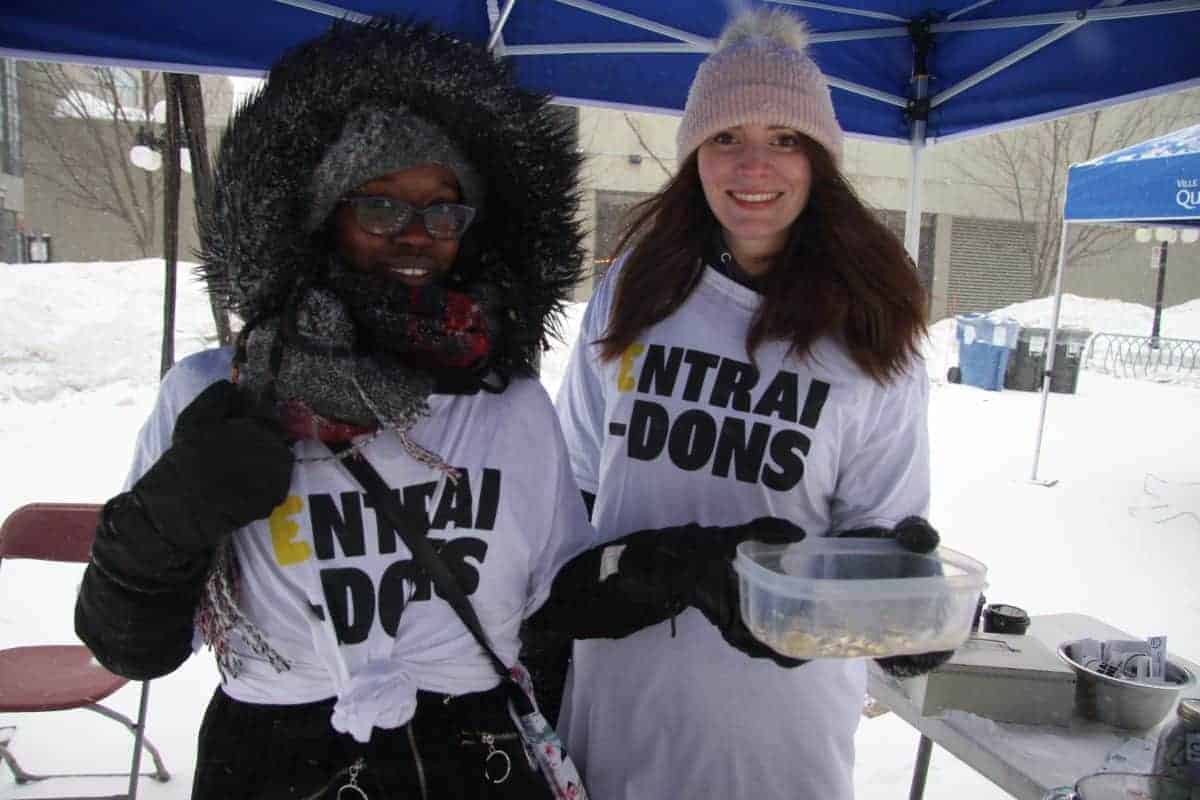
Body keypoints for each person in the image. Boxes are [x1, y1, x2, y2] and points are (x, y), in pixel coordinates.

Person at [74, 18, 595, 800]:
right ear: (326, 215)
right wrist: (171, 517)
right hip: (280, 766)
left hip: (474, 763)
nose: (417, 235)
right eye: (382, 206)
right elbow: (128, 647)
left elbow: (555, 607)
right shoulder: (219, 394)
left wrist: (667, 573)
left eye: (443, 212)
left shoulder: (511, 406)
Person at [524, 8, 948, 800]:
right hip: (622, 715)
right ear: (693, 156)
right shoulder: (631, 294)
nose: (755, 165)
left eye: (785, 139)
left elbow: (878, 545)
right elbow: (576, 490)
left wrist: (904, 617)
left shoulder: (870, 328)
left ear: (820, 159)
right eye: (726, 137)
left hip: (780, 740)